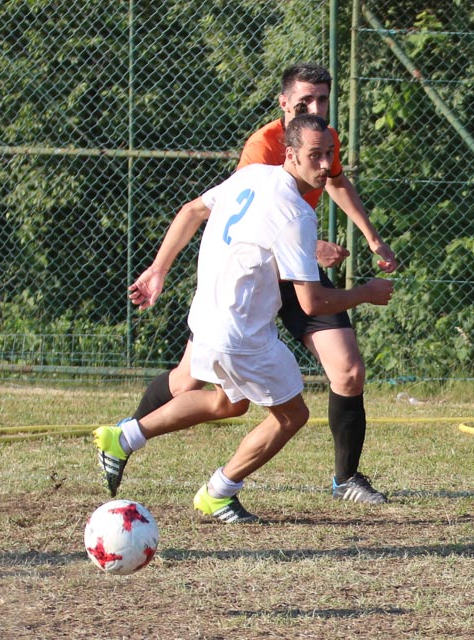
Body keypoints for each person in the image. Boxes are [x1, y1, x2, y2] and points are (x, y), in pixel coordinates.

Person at [93, 114, 394, 523]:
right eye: (314, 155)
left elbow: (192, 210)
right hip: (241, 335)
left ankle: (124, 436)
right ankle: (220, 492)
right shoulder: (296, 214)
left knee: (228, 402)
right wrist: (366, 293)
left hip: (207, 316)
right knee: (293, 416)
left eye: (330, 154)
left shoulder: (251, 176)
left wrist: (159, 268)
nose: (325, 165)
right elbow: (311, 303)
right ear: (291, 154)